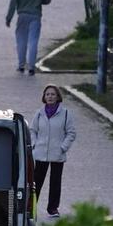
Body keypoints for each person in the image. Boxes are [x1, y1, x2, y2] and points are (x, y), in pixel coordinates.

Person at [30, 85, 76, 218]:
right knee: (36, 182)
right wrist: (34, 144)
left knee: (55, 182)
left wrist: (63, 147)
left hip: (57, 154)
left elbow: (71, 133)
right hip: (40, 153)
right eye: (47, 94)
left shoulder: (65, 113)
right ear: (44, 97)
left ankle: (53, 208)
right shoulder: (39, 113)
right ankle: (31, 207)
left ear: (58, 97)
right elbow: (33, 130)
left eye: (53, 94)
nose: (50, 97)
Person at [6, 0, 51, 76]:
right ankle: (31, 67)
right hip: (35, 15)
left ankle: (21, 65)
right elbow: (48, 0)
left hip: (22, 15)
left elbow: (13, 1)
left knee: (21, 40)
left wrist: (9, 17)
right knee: (33, 41)